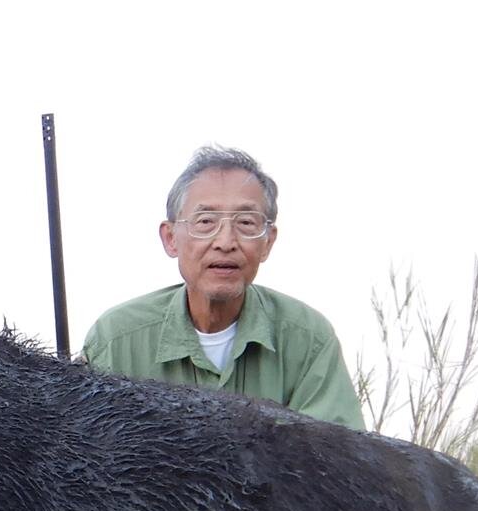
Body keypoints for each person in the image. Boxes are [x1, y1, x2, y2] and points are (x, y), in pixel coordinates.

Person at [81, 145, 363, 429]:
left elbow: (340, 461)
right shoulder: (114, 342)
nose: (226, 242)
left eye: (246, 223)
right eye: (206, 222)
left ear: (268, 241)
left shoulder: (309, 339)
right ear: (170, 238)